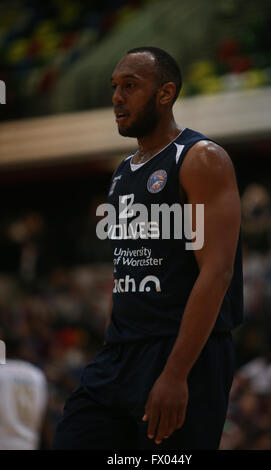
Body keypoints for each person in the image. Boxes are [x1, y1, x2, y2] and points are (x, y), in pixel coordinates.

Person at [52, 46, 243, 450]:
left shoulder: (200, 158)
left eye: (131, 86)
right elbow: (126, 271)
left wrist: (175, 373)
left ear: (165, 93)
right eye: (115, 87)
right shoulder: (123, 171)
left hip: (183, 353)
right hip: (120, 354)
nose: (117, 98)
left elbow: (217, 272)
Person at [0, 332, 48, 450]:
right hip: (28, 444)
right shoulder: (37, 375)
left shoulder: (2, 372)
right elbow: (44, 414)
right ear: (23, 349)